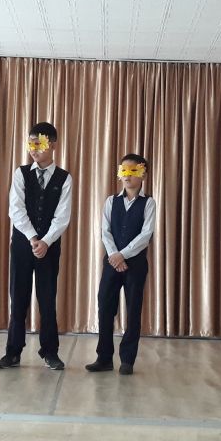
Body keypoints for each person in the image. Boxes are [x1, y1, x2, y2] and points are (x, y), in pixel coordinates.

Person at [0, 122, 72, 370]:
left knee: (47, 300)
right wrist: (32, 238)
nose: (34, 149)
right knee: (18, 298)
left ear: (53, 145)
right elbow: (15, 209)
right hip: (22, 245)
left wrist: (46, 241)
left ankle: (50, 352)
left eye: (39, 144)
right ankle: (13, 351)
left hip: (49, 248)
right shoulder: (21, 173)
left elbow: (62, 216)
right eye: (30, 144)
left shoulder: (64, 178)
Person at [85, 154, 156, 375]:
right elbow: (105, 231)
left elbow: (146, 235)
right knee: (105, 307)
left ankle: (127, 360)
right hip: (111, 263)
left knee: (133, 310)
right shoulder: (111, 201)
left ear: (143, 174)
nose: (127, 175)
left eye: (133, 171)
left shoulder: (149, 203)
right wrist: (115, 256)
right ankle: (104, 358)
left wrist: (123, 255)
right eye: (123, 170)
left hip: (135, 266)